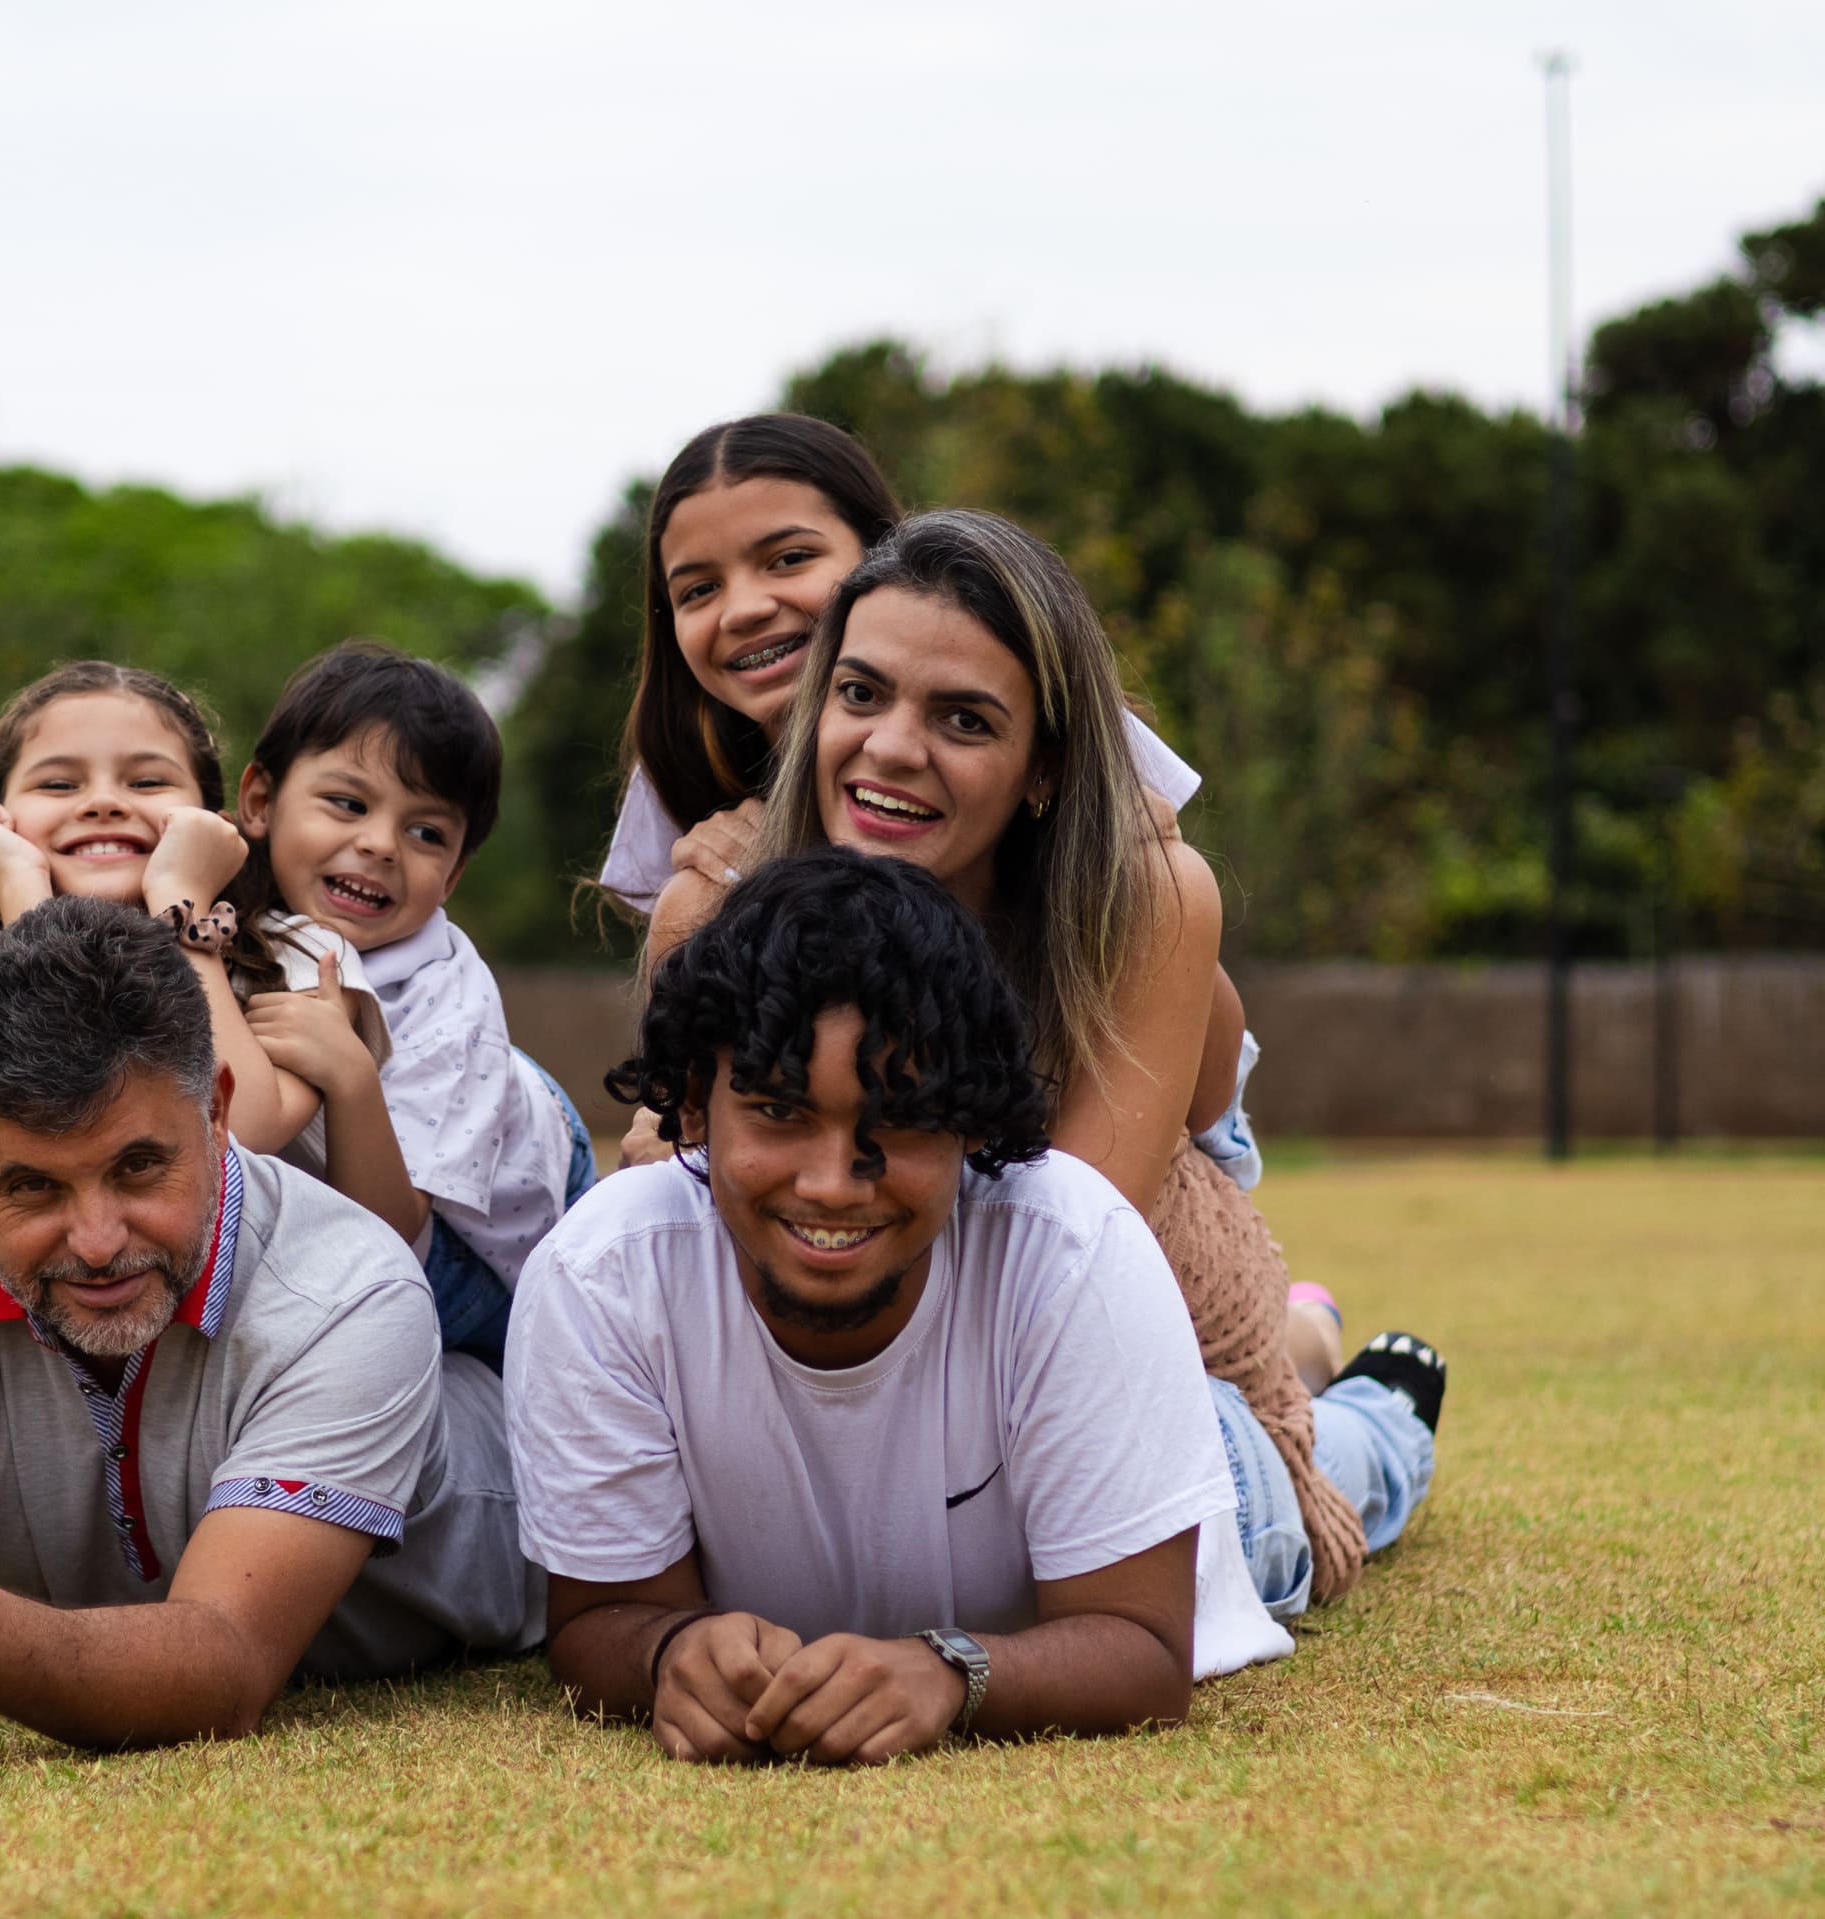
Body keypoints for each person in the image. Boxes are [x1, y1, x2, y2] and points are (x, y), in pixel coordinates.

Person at [506, 850, 1444, 1766]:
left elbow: (1146, 1651)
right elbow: (598, 1620)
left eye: (900, 1121)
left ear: (972, 1127)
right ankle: (1311, 1339)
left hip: (1201, 1492)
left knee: (1301, 1489)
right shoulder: (599, 1277)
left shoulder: (1071, 1247)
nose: (833, 1184)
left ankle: (1378, 1403)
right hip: (1095, 1428)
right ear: (694, 1111)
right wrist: (668, 1652)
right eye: (781, 1113)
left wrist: (951, 1673)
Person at [756, 508, 1439, 1603]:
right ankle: (1310, 1333)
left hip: (1146, 1329)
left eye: (963, 719)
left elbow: (1068, 1252)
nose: (888, 745)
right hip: (895, 1354)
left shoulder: (1145, 899)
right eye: (859, 692)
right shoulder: (749, 907)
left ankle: (1369, 1409)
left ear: (1042, 766)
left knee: (1247, 1507)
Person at [0, 897, 541, 1752]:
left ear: (216, 1111)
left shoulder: (349, 1288)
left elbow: (226, 1660)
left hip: (508, 1566)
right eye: (32, 1186)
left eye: (139, 1167)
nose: (97, 1244)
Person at [596, 414, 1269, 1203]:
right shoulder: (705, 844)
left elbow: (1175, 974)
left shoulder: (1033, 688)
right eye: (698, 589)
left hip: (1144, 1095)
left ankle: (1300, 1331)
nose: (743, 607)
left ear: (880, 558)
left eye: (788, 558)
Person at [229, 641, 595, 1368]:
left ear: (453, 874)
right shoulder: (220, 907)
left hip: (475, 1250)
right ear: (260, 801)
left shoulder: (448, 999)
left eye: (425, 832)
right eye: (348, 803)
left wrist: (351, 1075)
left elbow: (392, 1238)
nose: (379, 844)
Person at [0, 661, 386, 1166]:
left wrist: (180, 893)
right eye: (58, 785)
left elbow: (238, 1135)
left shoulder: (302, 957)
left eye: (147, 781)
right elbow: (62, 1122)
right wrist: (22, 894)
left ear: (215, 825)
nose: (103, 802)